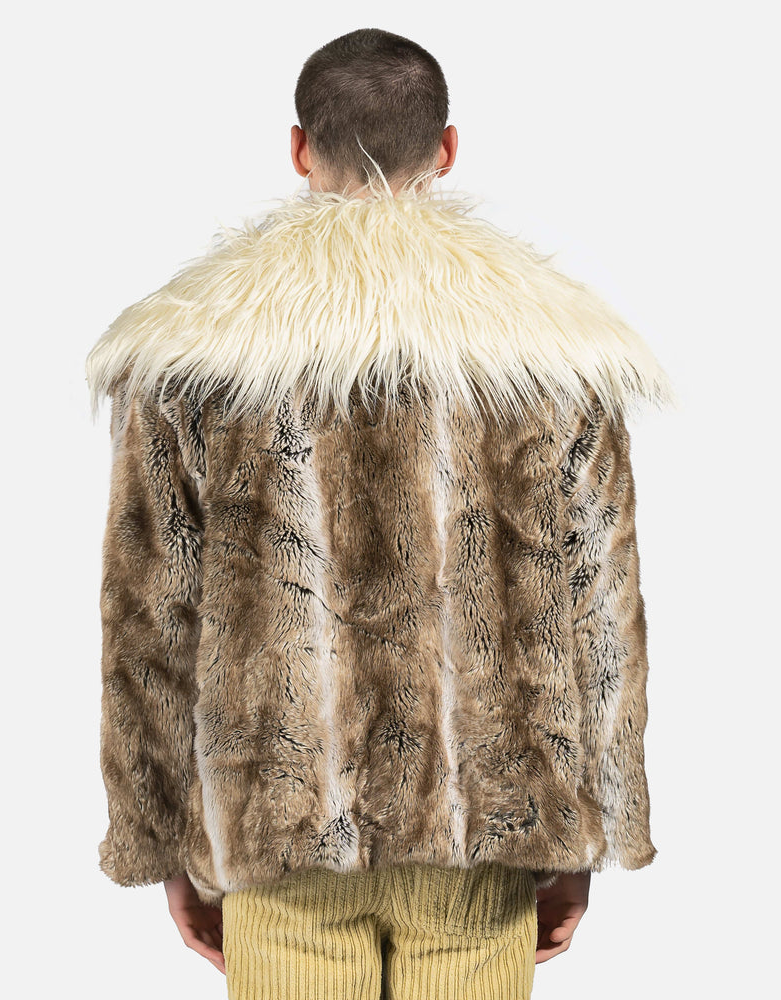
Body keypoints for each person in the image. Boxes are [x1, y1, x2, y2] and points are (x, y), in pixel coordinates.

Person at [85, 27, 677, 1000]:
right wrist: (591, 832)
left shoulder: (194, 348)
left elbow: (148, 616)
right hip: (481, 834)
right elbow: (601, 611)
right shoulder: (554, 350)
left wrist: (158, 842)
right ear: (445, 149)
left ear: (297, 148)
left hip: (278, 837)